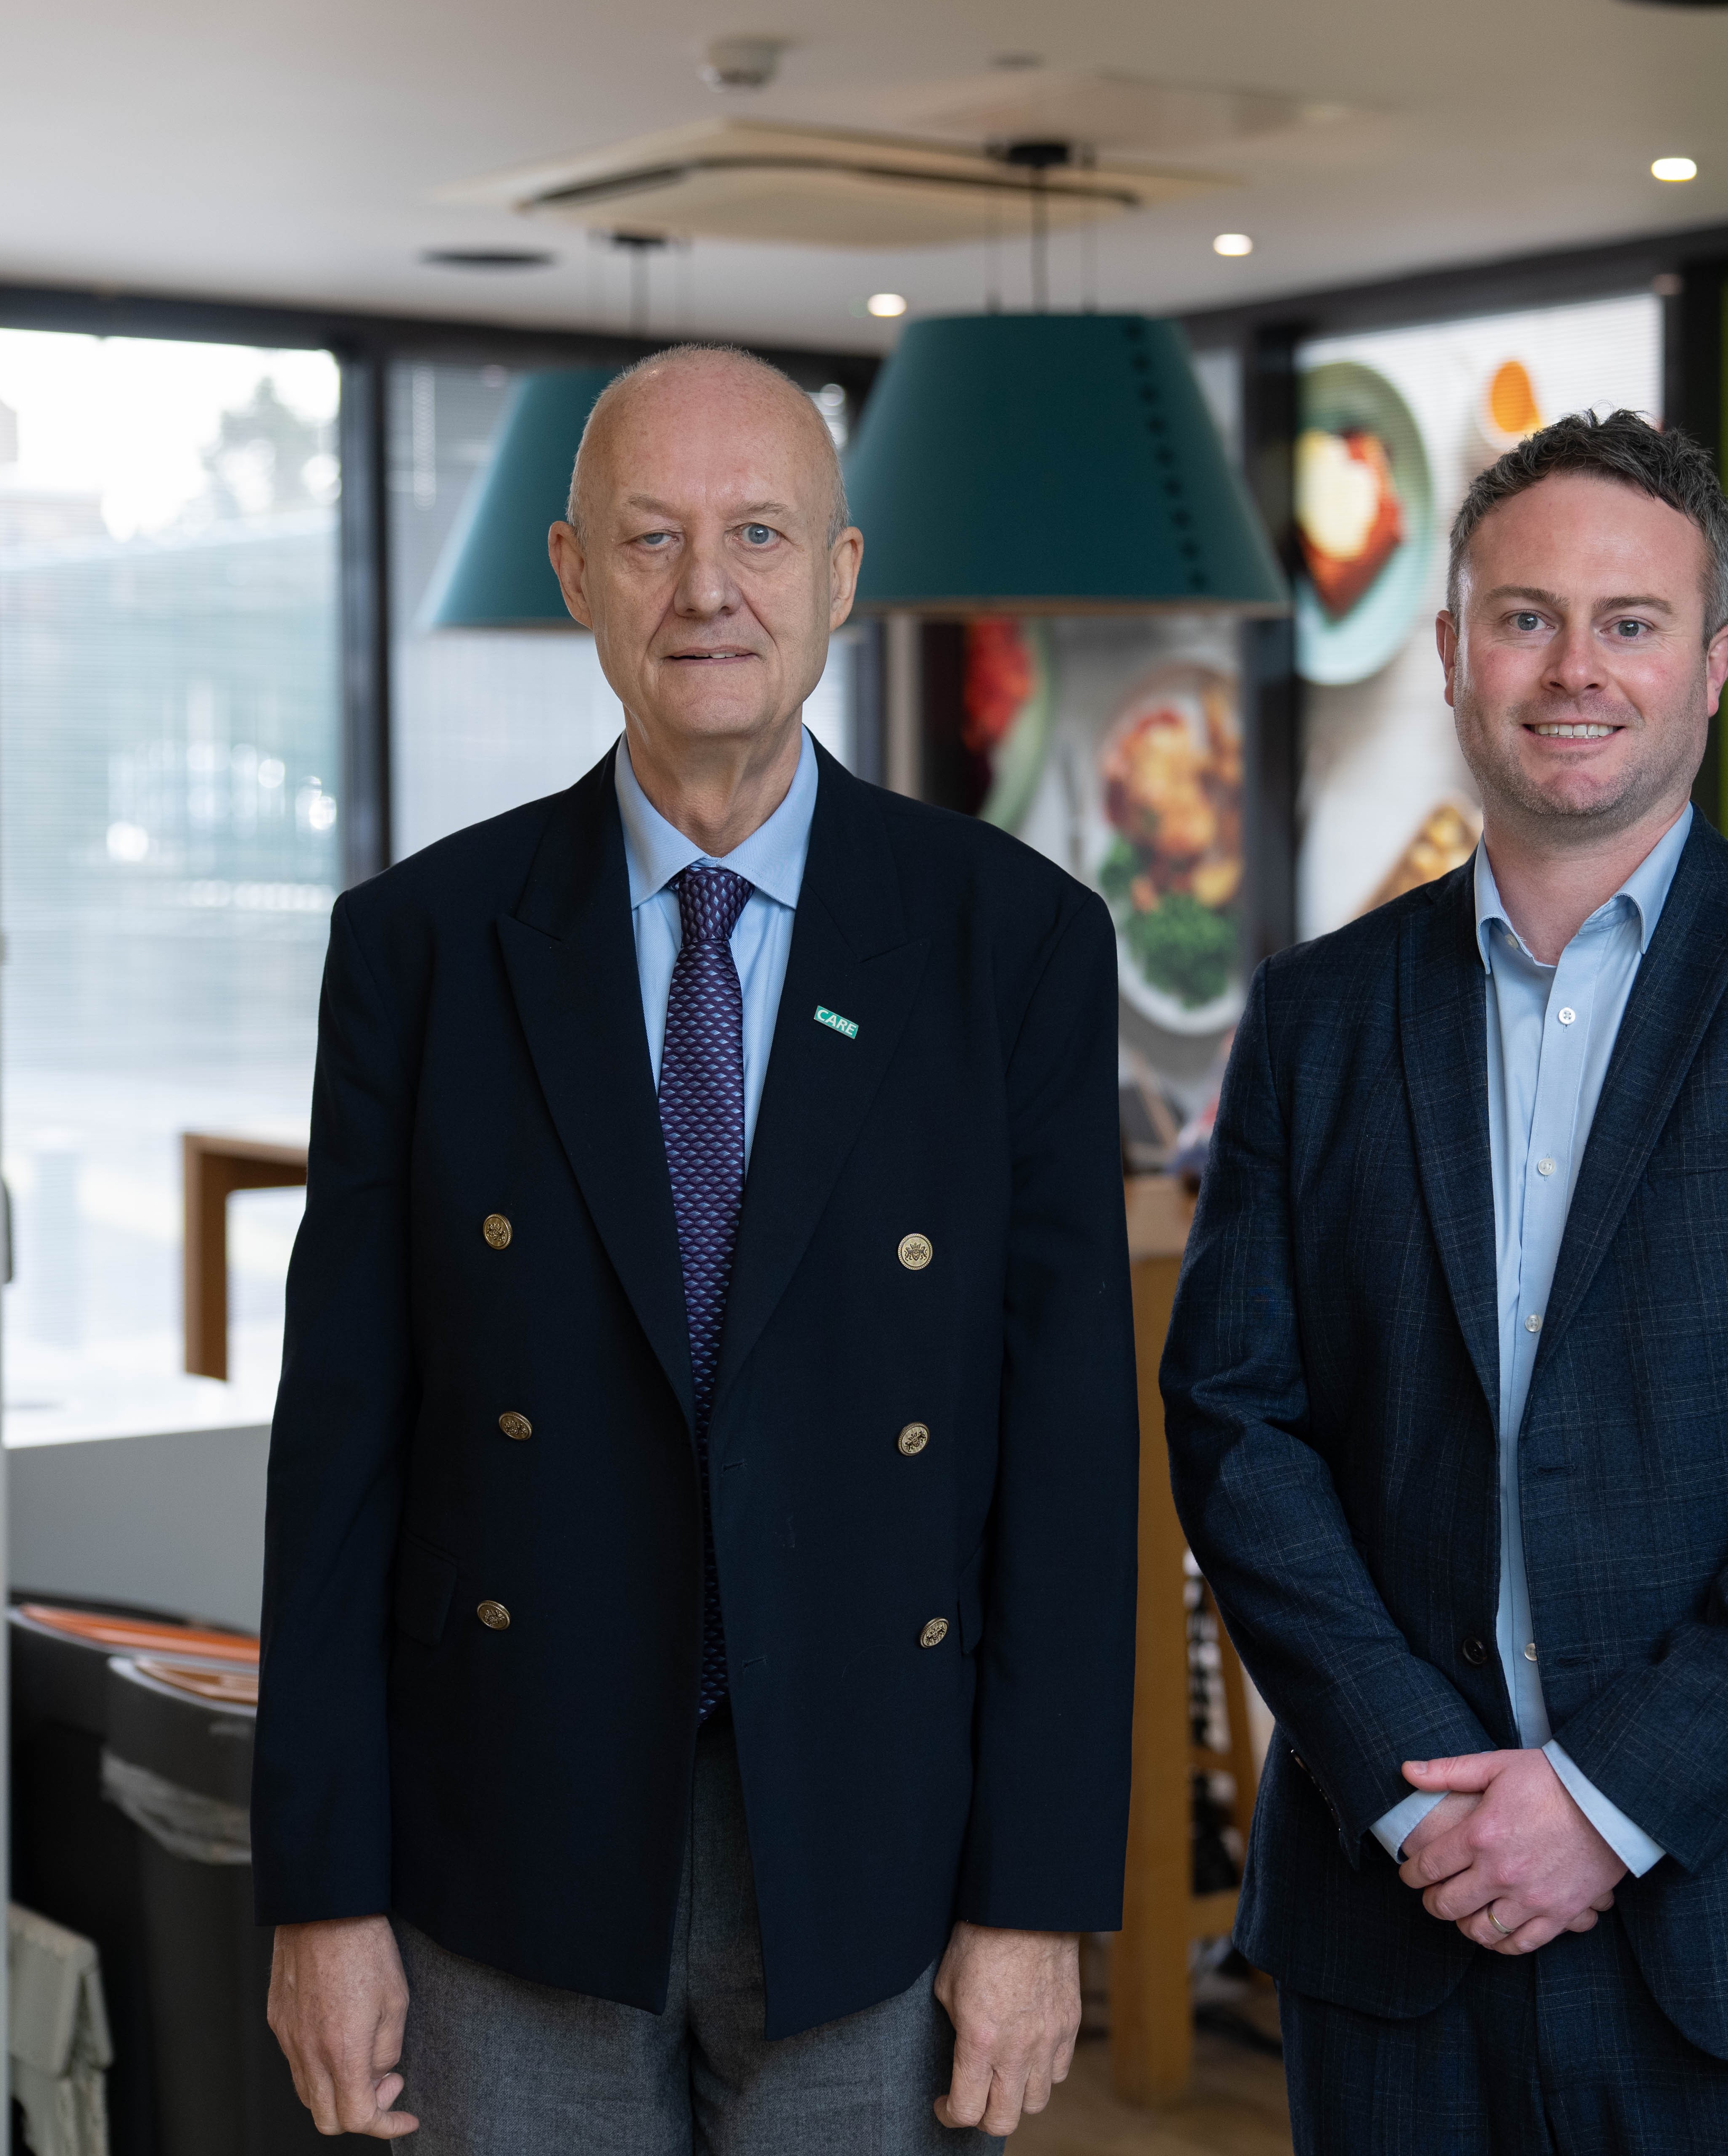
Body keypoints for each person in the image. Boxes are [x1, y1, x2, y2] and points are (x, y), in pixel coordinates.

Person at [253, 345, 1136, 2150]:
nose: (706, 587)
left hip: (875, 1832)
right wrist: (318, 1893)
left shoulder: (1011, 942)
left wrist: (1036, 1899)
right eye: (650, 538)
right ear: (572, 573)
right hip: (511, 1833)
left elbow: (1063, 1464)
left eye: (756, 531)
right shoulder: (421, 947)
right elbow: (337, 1454)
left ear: (839, 573)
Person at [1164, 409, 1728, 2152]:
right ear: (1451, 652)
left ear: (1711, 665)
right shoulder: (1316, 1015)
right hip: (1402, 1909)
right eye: (1524, 615)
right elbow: (1234, 1421)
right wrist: (1423, 1798)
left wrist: (1610, 1795)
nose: (1574, 668)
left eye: (1628, 622)